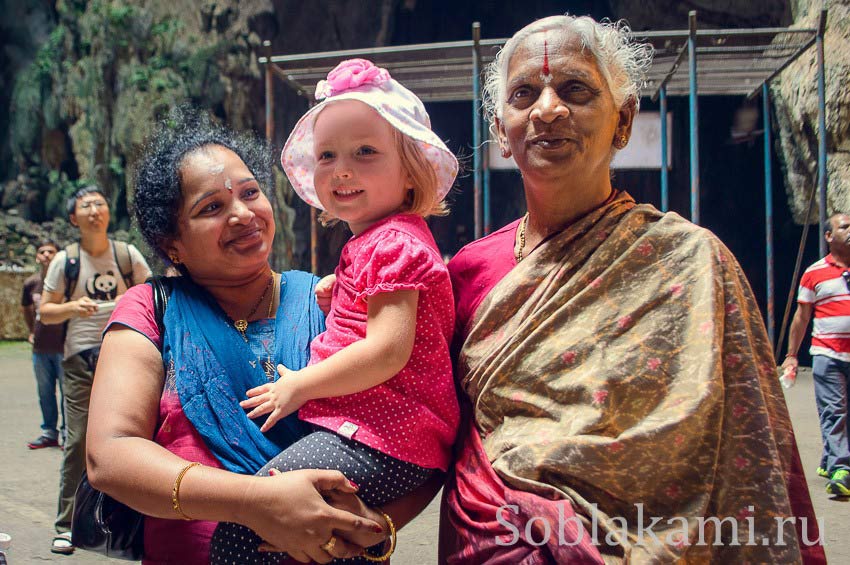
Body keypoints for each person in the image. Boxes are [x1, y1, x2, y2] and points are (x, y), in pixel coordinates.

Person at [438, 15, 825, 564]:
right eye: (525, 94)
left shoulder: (692, 262)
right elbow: (434, 434)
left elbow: (752, 451)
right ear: (501, 128)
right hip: (492, 540)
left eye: (575, 89)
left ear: (623, 120)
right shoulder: (469, 271)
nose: (547, 109)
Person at [86, 108, 443, 565]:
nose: (242, 214)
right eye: (211, 208)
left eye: (251, 193)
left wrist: (377, 528)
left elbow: (418, 424)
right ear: (171, 242)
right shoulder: (151, 309)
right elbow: (110, 457)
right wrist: (258, 502)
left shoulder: (330, 303)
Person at [211, 58, 460, 564]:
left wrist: (299, 385)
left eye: (365, 152)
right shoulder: (378, 243)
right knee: (321, 538)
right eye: (327, 155)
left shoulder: (392, 244)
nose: (342, 168)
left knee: (250, 524)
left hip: (384, 437)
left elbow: (387, 352)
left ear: (410, 173)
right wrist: (343, 292)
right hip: (378, 435)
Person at [39, 186, 151, 554]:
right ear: (74, 218)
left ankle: (135, 523)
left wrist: (129, 299)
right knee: (78, 440)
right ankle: (66, 525)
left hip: (123, 354)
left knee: (135, 437)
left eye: (100, 203)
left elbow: (152, 291)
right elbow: (46, 311)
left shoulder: (125, 254)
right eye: (85, 205)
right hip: (79, 356)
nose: (94, 210)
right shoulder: (65, 261)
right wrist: (73, 307)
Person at [782, 212, 850, 497]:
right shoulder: (814, 273)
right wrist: (791, 355)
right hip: (827, 354)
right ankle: (842, 469)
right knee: (835, 411)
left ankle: (829, 459)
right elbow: (801, 316)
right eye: (844, 227)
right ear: (829, 236)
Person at [20, 240, 65, 449]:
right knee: (45, 391)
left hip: (64, 346)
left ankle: (68, 433)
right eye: (42, 251)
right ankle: (49, 432)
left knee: (69, 393)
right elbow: (27, 309)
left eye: (51, 251)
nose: (46, 254)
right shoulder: (31, 283)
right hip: (40, 347)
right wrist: (31, 331)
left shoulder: (66, 282)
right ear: (37, 256)